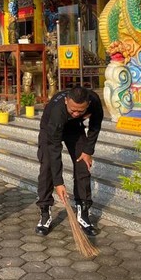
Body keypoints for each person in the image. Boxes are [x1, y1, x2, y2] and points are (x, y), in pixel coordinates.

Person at [35, 86, 103, 237]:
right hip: (50, 129)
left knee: (83, 165)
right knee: (47, 168)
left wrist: (87, 151)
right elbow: (54, 150)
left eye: (81, 111)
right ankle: (45, 212)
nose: (76, 113)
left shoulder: (95, 101)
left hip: (74, 129)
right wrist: (58, 182)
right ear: (66, 101)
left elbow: (95, 125)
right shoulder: (56, 111)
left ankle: (83, 213)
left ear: (88, 103)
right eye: (73, 110)